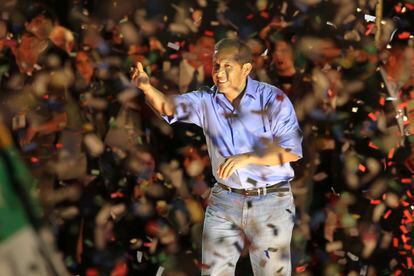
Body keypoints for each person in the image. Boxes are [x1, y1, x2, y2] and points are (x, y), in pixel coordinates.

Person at [131, 38, 302, 275]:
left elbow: (291, 151)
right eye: (216, 66)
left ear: (246, 69)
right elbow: (167, 107)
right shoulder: (206, 100)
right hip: (224, 200)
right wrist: (147, 88)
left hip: (270, 200)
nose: (219, 74)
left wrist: (247, 157)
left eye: (227, 67)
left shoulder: (273, 99)